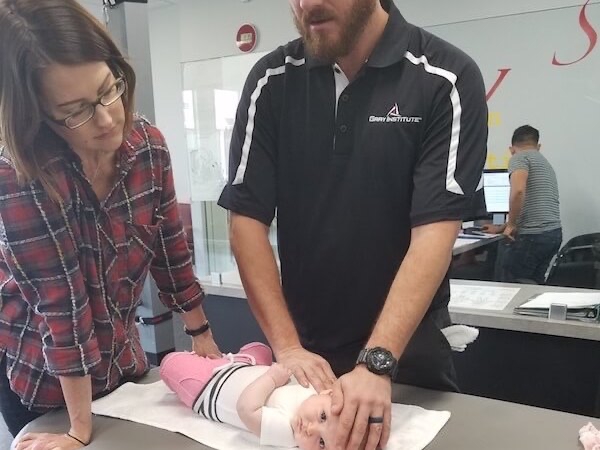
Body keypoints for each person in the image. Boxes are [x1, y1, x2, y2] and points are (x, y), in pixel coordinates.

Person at [217, 0, 488, 449]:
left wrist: (378, 362)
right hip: (306, 353)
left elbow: (432, 239)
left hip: (406, 355)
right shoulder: (271, 80)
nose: (307, 4)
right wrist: (286, 349)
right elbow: (246, 222)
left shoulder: (445, 77)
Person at [0, 1, 220, 448]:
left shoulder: (148, 148)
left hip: (124, 364)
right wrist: (78, 433)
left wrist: (203, 338)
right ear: (40, 115)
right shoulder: (22, 175)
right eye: (75, 110)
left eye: (107, 89)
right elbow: (62, 304)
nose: (106, 119)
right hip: (46, 382)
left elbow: (170, 252)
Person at [160, 342, 356, 450]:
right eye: (322, 416)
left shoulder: (286, 431)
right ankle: (239, 359)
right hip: (244, 368)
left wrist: (271, 378)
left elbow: (246, 409)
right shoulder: (317, 388)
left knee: (170, 364)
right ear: (330, 393)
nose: (310, 429)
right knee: (261, 348)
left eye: (321, 444)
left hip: (209, 387)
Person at [482, 125, 562, 284]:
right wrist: (502, 227)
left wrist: (511, 225)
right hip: (552, 234)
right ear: (538, 146)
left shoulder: (519, 158)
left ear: (511, 149)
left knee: (508, 286)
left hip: (532, 236)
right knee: (532, 287)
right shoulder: (544, 163)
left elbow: (518, 191)